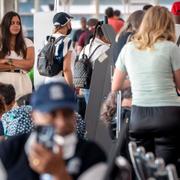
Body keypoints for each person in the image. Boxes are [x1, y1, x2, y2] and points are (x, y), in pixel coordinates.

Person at [112, 6, 180, 168]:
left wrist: (137, 80)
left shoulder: (128, 49)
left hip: (139, 115)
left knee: (141, 169)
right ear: (168, 25)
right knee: (166, 168)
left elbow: (116, 86)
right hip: (168, 115)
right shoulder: (171, 48)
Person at [0, 82, 106, 179]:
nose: (61, 122)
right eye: (52, 114)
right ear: (33, 116)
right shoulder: (10, 149)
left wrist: (59, 173)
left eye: (67, 113)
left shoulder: (91, 154)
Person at [0, 11, 34, 100]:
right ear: (6, 25)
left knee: (23, 112)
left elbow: (29, 65)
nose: (16, 25)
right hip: (3, 84)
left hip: (22, 83)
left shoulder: (27, 42)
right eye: (12, 23)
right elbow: (25, 64)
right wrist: (21, 64)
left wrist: (7, 61)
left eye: (18, 23)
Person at [78, 22, 111, 104]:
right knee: (101, 115)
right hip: (99, 88)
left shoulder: (86, 47)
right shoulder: (105, 48)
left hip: (86, 86)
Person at [44, 12, 74, 86]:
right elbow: (66, 69)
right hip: (61, 84)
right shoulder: (66, 41)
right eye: (70, 22)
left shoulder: (47, 40)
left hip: (48, 82)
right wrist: (70, 87)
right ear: (67, 24)